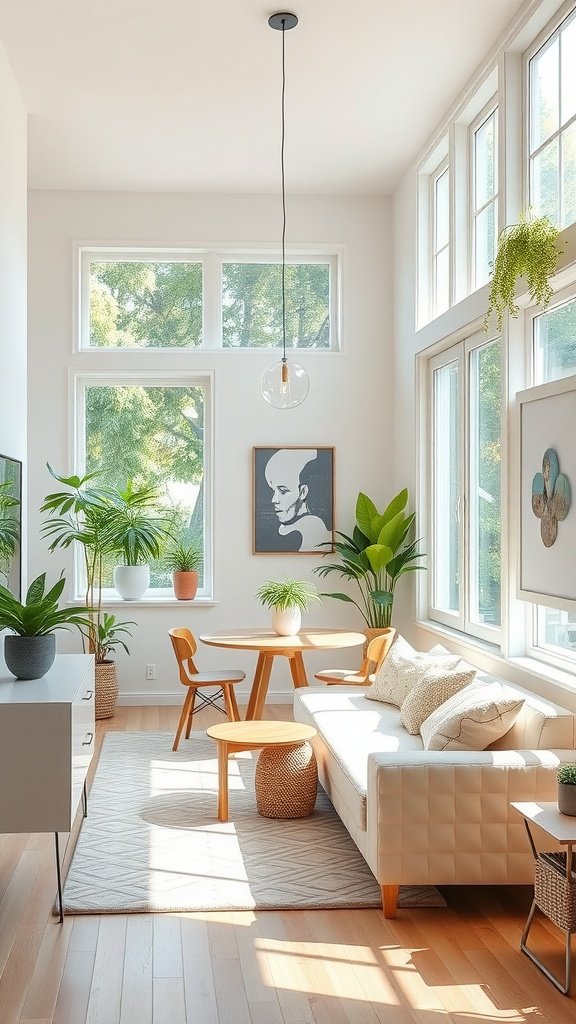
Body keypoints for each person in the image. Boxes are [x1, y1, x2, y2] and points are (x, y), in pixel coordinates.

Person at [264, 448, 332, 552]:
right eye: (273, 491)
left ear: (303, 492)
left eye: (283, 491)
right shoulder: (285, 527)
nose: (274, 500)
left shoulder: (313, 527)